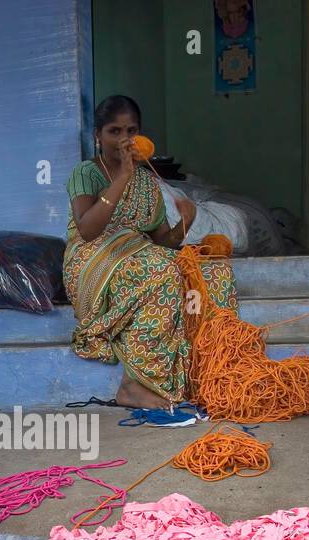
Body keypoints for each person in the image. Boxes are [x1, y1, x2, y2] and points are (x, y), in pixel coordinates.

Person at [64, 95, 237, 412]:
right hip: (93, 262)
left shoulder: (147, 183)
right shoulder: (86, 173)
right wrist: (122, 177)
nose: (124, 139)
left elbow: (163, 244)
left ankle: (208, 373)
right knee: (161, 270)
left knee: (211, 273)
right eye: (114, 131)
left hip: (140, 257)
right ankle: (134, 384)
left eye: (131, 131)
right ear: (98, 136)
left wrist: (184, 224)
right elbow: (87, 229)